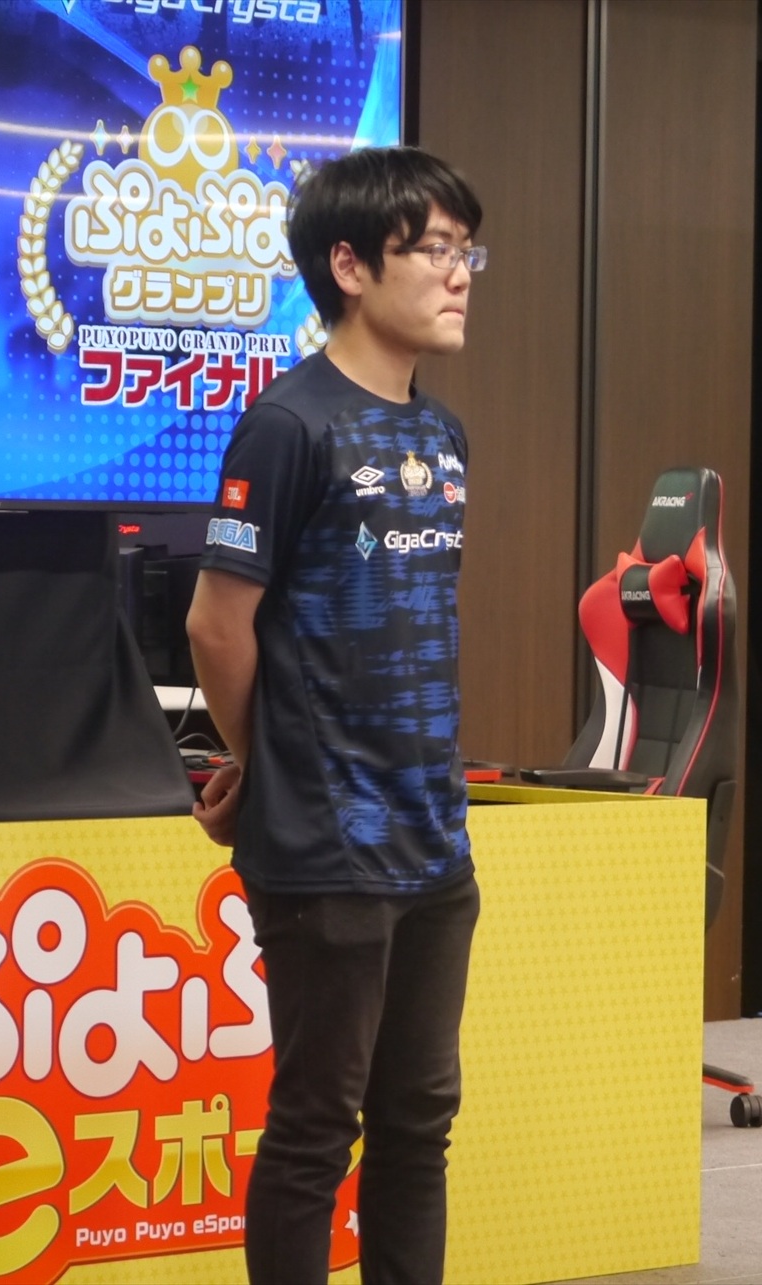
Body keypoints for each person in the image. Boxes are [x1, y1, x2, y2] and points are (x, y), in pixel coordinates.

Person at [185, 145, 485, 1285]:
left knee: (420, 1118)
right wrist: (266, 762)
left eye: (469, 252)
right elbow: (218, 624)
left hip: (433, 835)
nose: (460, 274)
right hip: (326, 841)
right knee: (318, 1123)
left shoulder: (443, 437)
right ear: (350, 266)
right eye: (435, 249)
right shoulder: (288, 424)